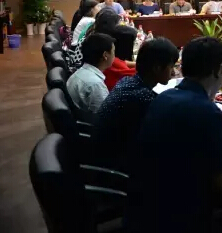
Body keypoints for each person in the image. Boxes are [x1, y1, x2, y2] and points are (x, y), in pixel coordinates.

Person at [125, 37, 222, 233]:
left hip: (146, 208)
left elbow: (192, 122)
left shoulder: (164, 97)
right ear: (219, 70)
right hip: (179, 218)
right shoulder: (206, 112)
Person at [94, 38, 179, 171]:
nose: (174, 72)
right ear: (157, 68)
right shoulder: (142, 97)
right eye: (171, 67)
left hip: (106, 155)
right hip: (116, 166)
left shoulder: (128, 81)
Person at [66, 33, 115, 114]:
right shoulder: (95, 84)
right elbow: (106, 115)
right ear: (105, 55)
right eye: (113, 52)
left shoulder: (82, 72)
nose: (114, 56)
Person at [103, 25, 137, 90]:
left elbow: (124, 62)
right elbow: (142, 72)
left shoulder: (112, 57)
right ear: (126, 45)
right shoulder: (114, 62)